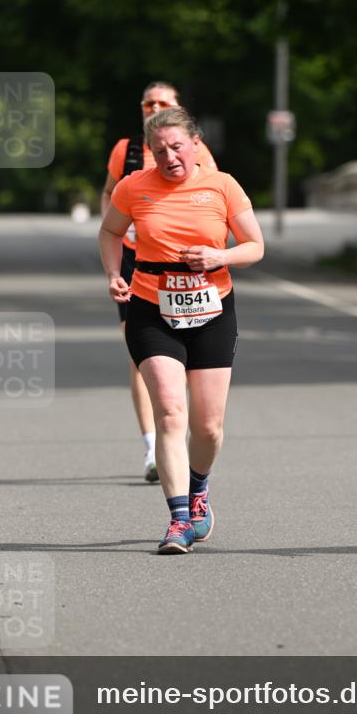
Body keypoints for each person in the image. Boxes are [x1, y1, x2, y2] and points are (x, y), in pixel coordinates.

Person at [99, 107, 264, 553]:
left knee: (207, 426)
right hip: (151, 309)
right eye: (159, 151)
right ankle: (177, 520)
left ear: (195, 144)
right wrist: (114, 273)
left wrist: (220, 258)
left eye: (176, 147)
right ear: (149, 154)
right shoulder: (134, 187)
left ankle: (198, 489)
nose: (168, 157)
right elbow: (110, 231)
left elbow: (255, 246)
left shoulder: (221, 184)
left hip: (212, 309)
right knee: (171, 412)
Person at [100, 81, 216, 483]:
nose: (155, 107)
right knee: (140, 356)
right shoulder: (127, 150)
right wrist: (119, 236)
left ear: (177, 107)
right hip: (137, 260)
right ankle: (154, 446)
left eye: (163, 102)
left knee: (184, 359)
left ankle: (179, 430)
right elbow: (109, 197)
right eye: (149, 102)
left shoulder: (194, 148)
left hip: (185, 266)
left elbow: (215, 196)